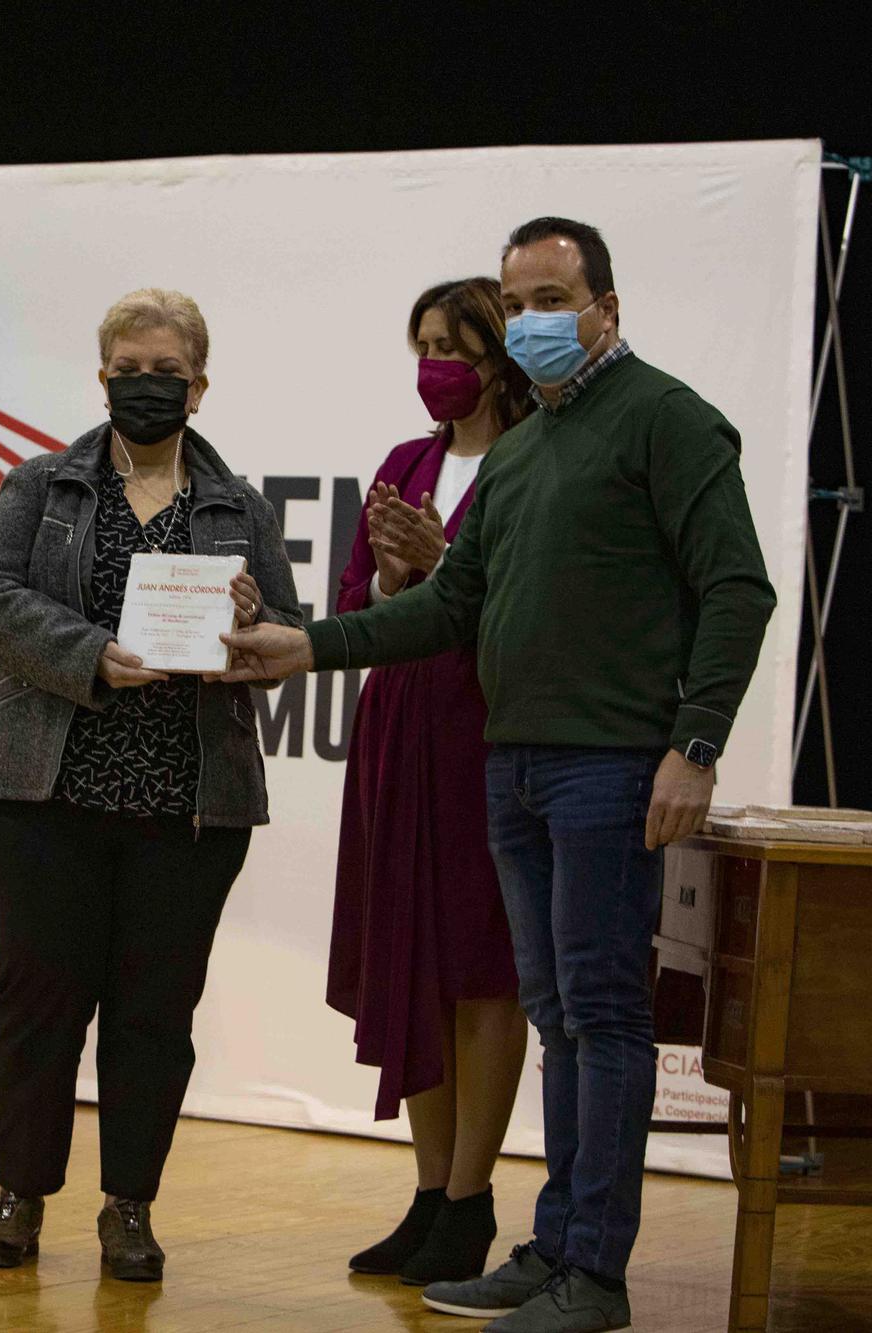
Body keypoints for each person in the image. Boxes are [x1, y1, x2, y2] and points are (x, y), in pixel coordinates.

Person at [221, 219, 776, 1333]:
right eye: (516, 300)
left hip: (610, 764)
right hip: (510, 765)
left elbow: (736, 588)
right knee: (557, 1016)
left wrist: (696, 743)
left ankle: (594, 1274)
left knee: (602, 1016)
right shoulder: (524, 450)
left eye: (551, 298)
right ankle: (554, 1245)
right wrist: (306, 646)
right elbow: (443, 606)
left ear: (604, 310)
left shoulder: (665, 419)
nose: (531, 321)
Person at [0, 288, 302, 1282]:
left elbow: (282, 633)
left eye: (165, 371)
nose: (144, 385)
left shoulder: (237, 506)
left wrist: (246, 624)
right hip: (43, 794)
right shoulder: (40, 485)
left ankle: (129, 1207)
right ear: (99, 373)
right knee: (36, 1002)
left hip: (186, 804)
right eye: (127, 367)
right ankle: (19, 1193)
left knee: (154, 1012)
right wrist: (89, 654)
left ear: (198, 383)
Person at [332, 278, 534, 1285]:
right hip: (396, 728)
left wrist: (446, 560)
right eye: (418, 344)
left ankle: (470, 1199)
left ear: (496, 355)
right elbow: (354, 600)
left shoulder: (530, 461)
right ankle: (424, 1196)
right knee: (409, 959)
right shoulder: (405, 462)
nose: (431, 365)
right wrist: (395, 575)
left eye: (449, 344)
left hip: (487, 732)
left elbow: (533, 607)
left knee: (480, 967)